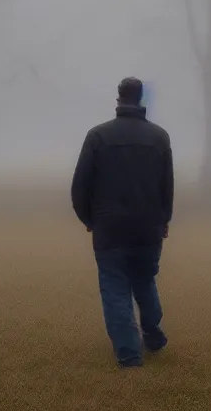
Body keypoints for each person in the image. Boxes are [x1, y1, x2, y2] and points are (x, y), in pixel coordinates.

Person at [71, 76, 174, 368]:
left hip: (109, 229)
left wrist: (89, 219)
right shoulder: (159, 137)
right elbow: (167, 186)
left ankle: (129, 355)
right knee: (144, 279)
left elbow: (79, 186)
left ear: (118, 99)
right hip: (148, 229)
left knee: (115, 288)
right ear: (140, 100)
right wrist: (164, 218)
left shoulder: (97, 137)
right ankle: (152, 332)